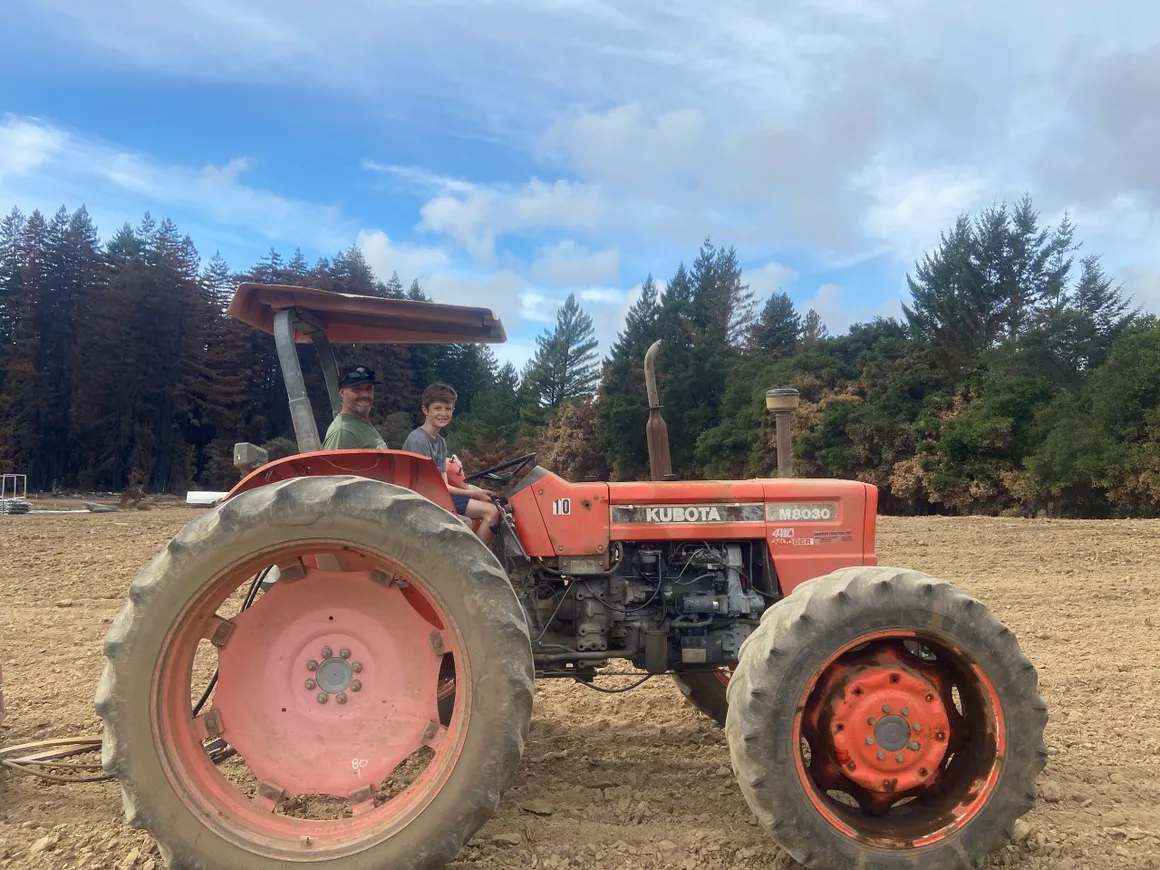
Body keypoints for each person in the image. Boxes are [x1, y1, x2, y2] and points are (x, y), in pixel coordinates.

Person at [402, 383, 501, 545]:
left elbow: (443, 484)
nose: (443, 413)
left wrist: (474, 493)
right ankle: (473, 559)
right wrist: (473, 494)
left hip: (438, 495)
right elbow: (427, 486)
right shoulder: (418, 440)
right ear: (425, 410)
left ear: (453, 410)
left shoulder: (440, 442)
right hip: (424, 499)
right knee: (492, 513)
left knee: (496, 509)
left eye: (448, 408)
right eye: (437, 408)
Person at [322, 366, 388, 450]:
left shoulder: (361, 423)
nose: (365, 395)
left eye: (369, 388)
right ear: (342, 393)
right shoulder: (343, 432)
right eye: (356, 389)